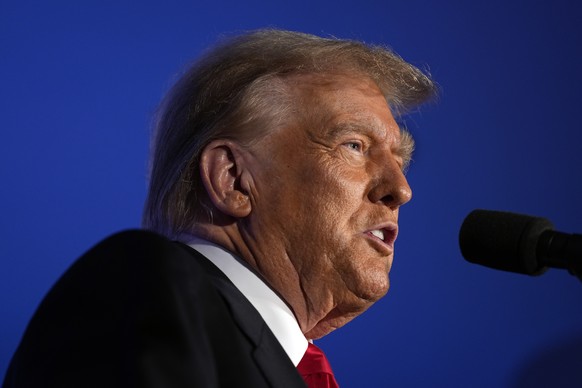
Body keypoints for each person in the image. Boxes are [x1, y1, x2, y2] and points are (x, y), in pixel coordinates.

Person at [3, 29, 436, 387]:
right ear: (232, 179)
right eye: (355, 146)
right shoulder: (142, 289)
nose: (401, 189)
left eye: (400, 161)